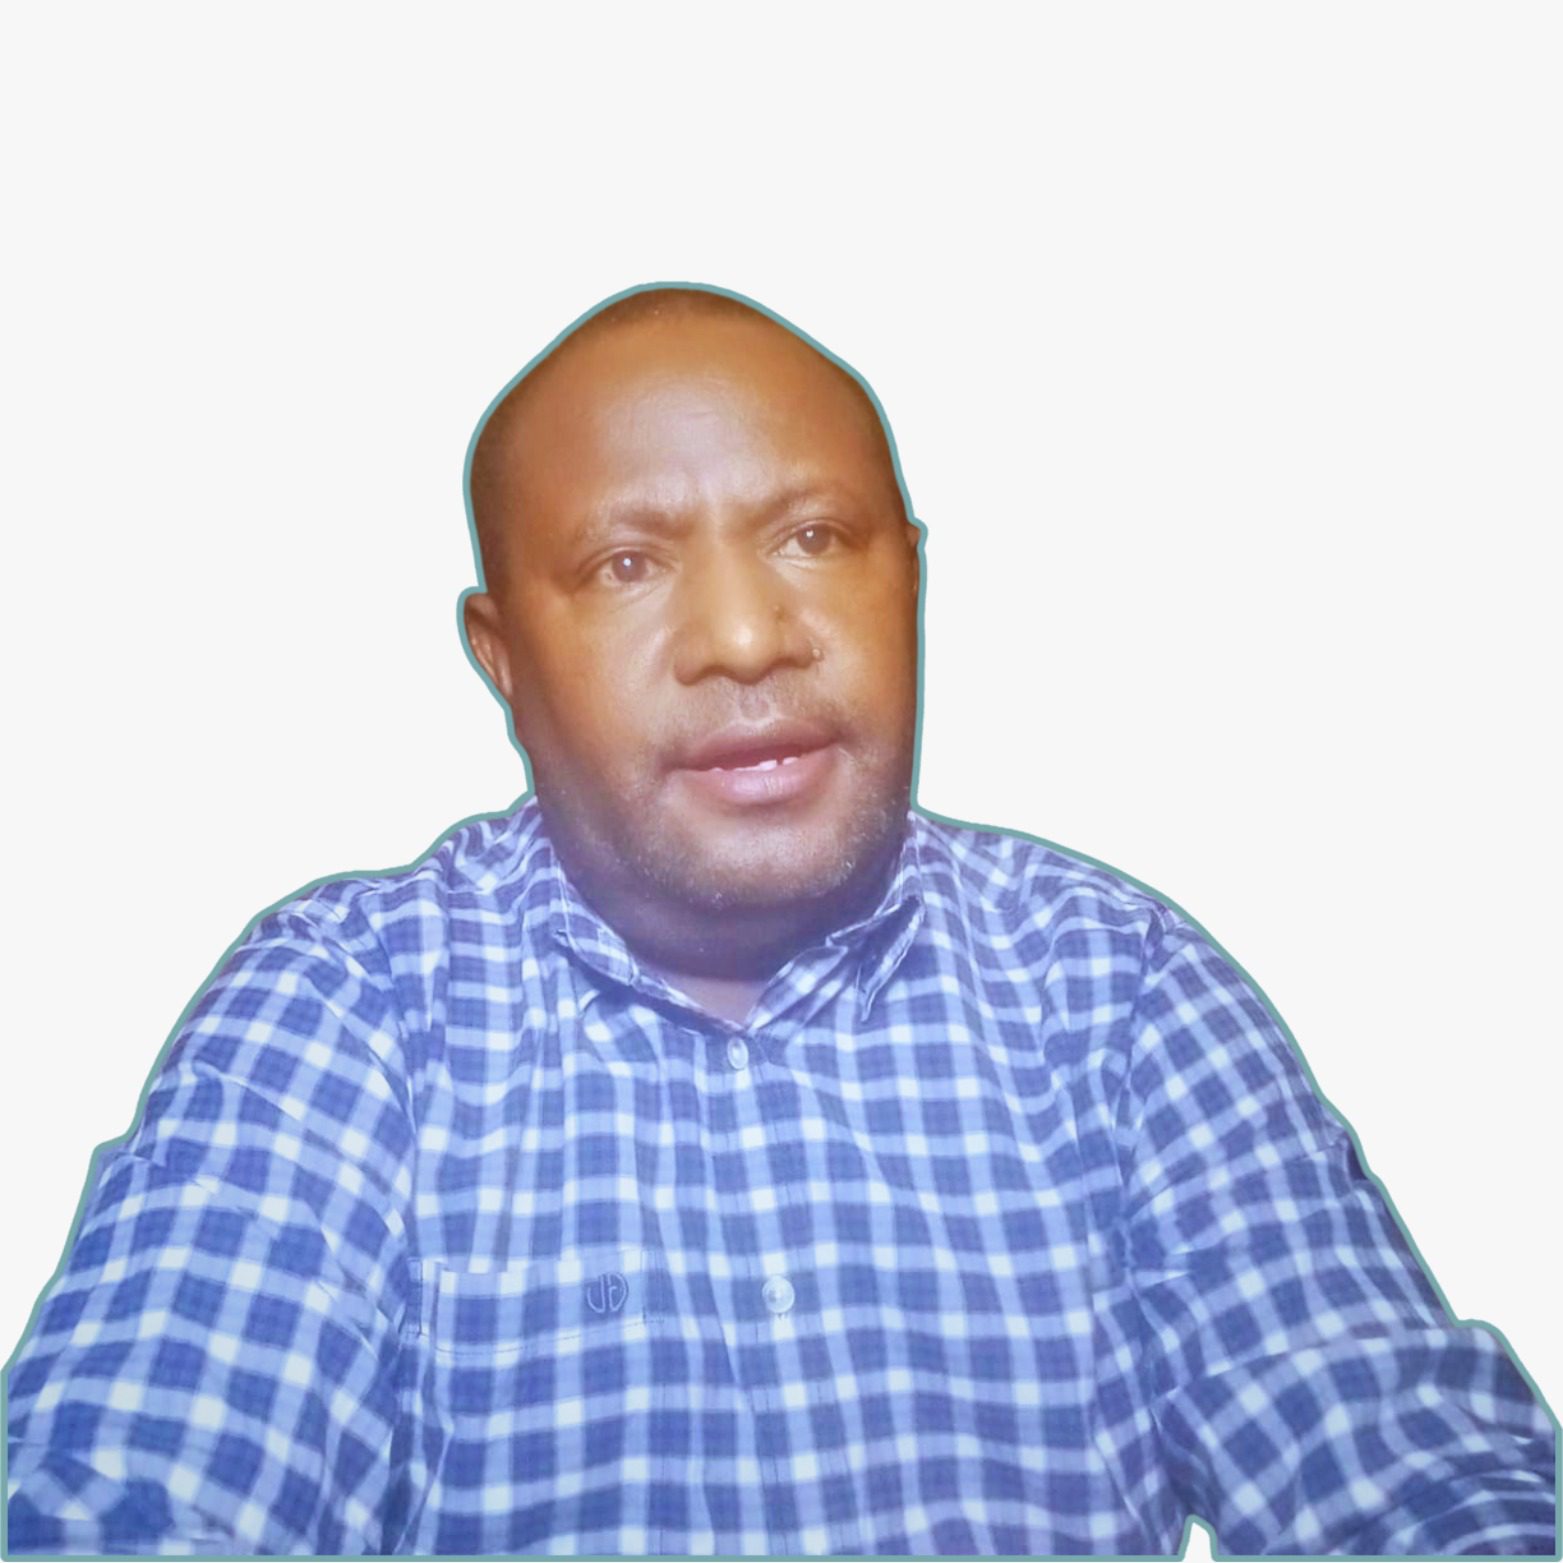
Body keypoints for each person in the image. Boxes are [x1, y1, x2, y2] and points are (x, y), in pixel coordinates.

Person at [5, 285, 1555, 1558]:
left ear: (911, 580)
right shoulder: (345, 1007)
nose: (747, 636)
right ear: (501, 655)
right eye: (625, 564)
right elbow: (132, 1506)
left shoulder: (1115, 988)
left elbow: (1417, 1484)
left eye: (813, 538)